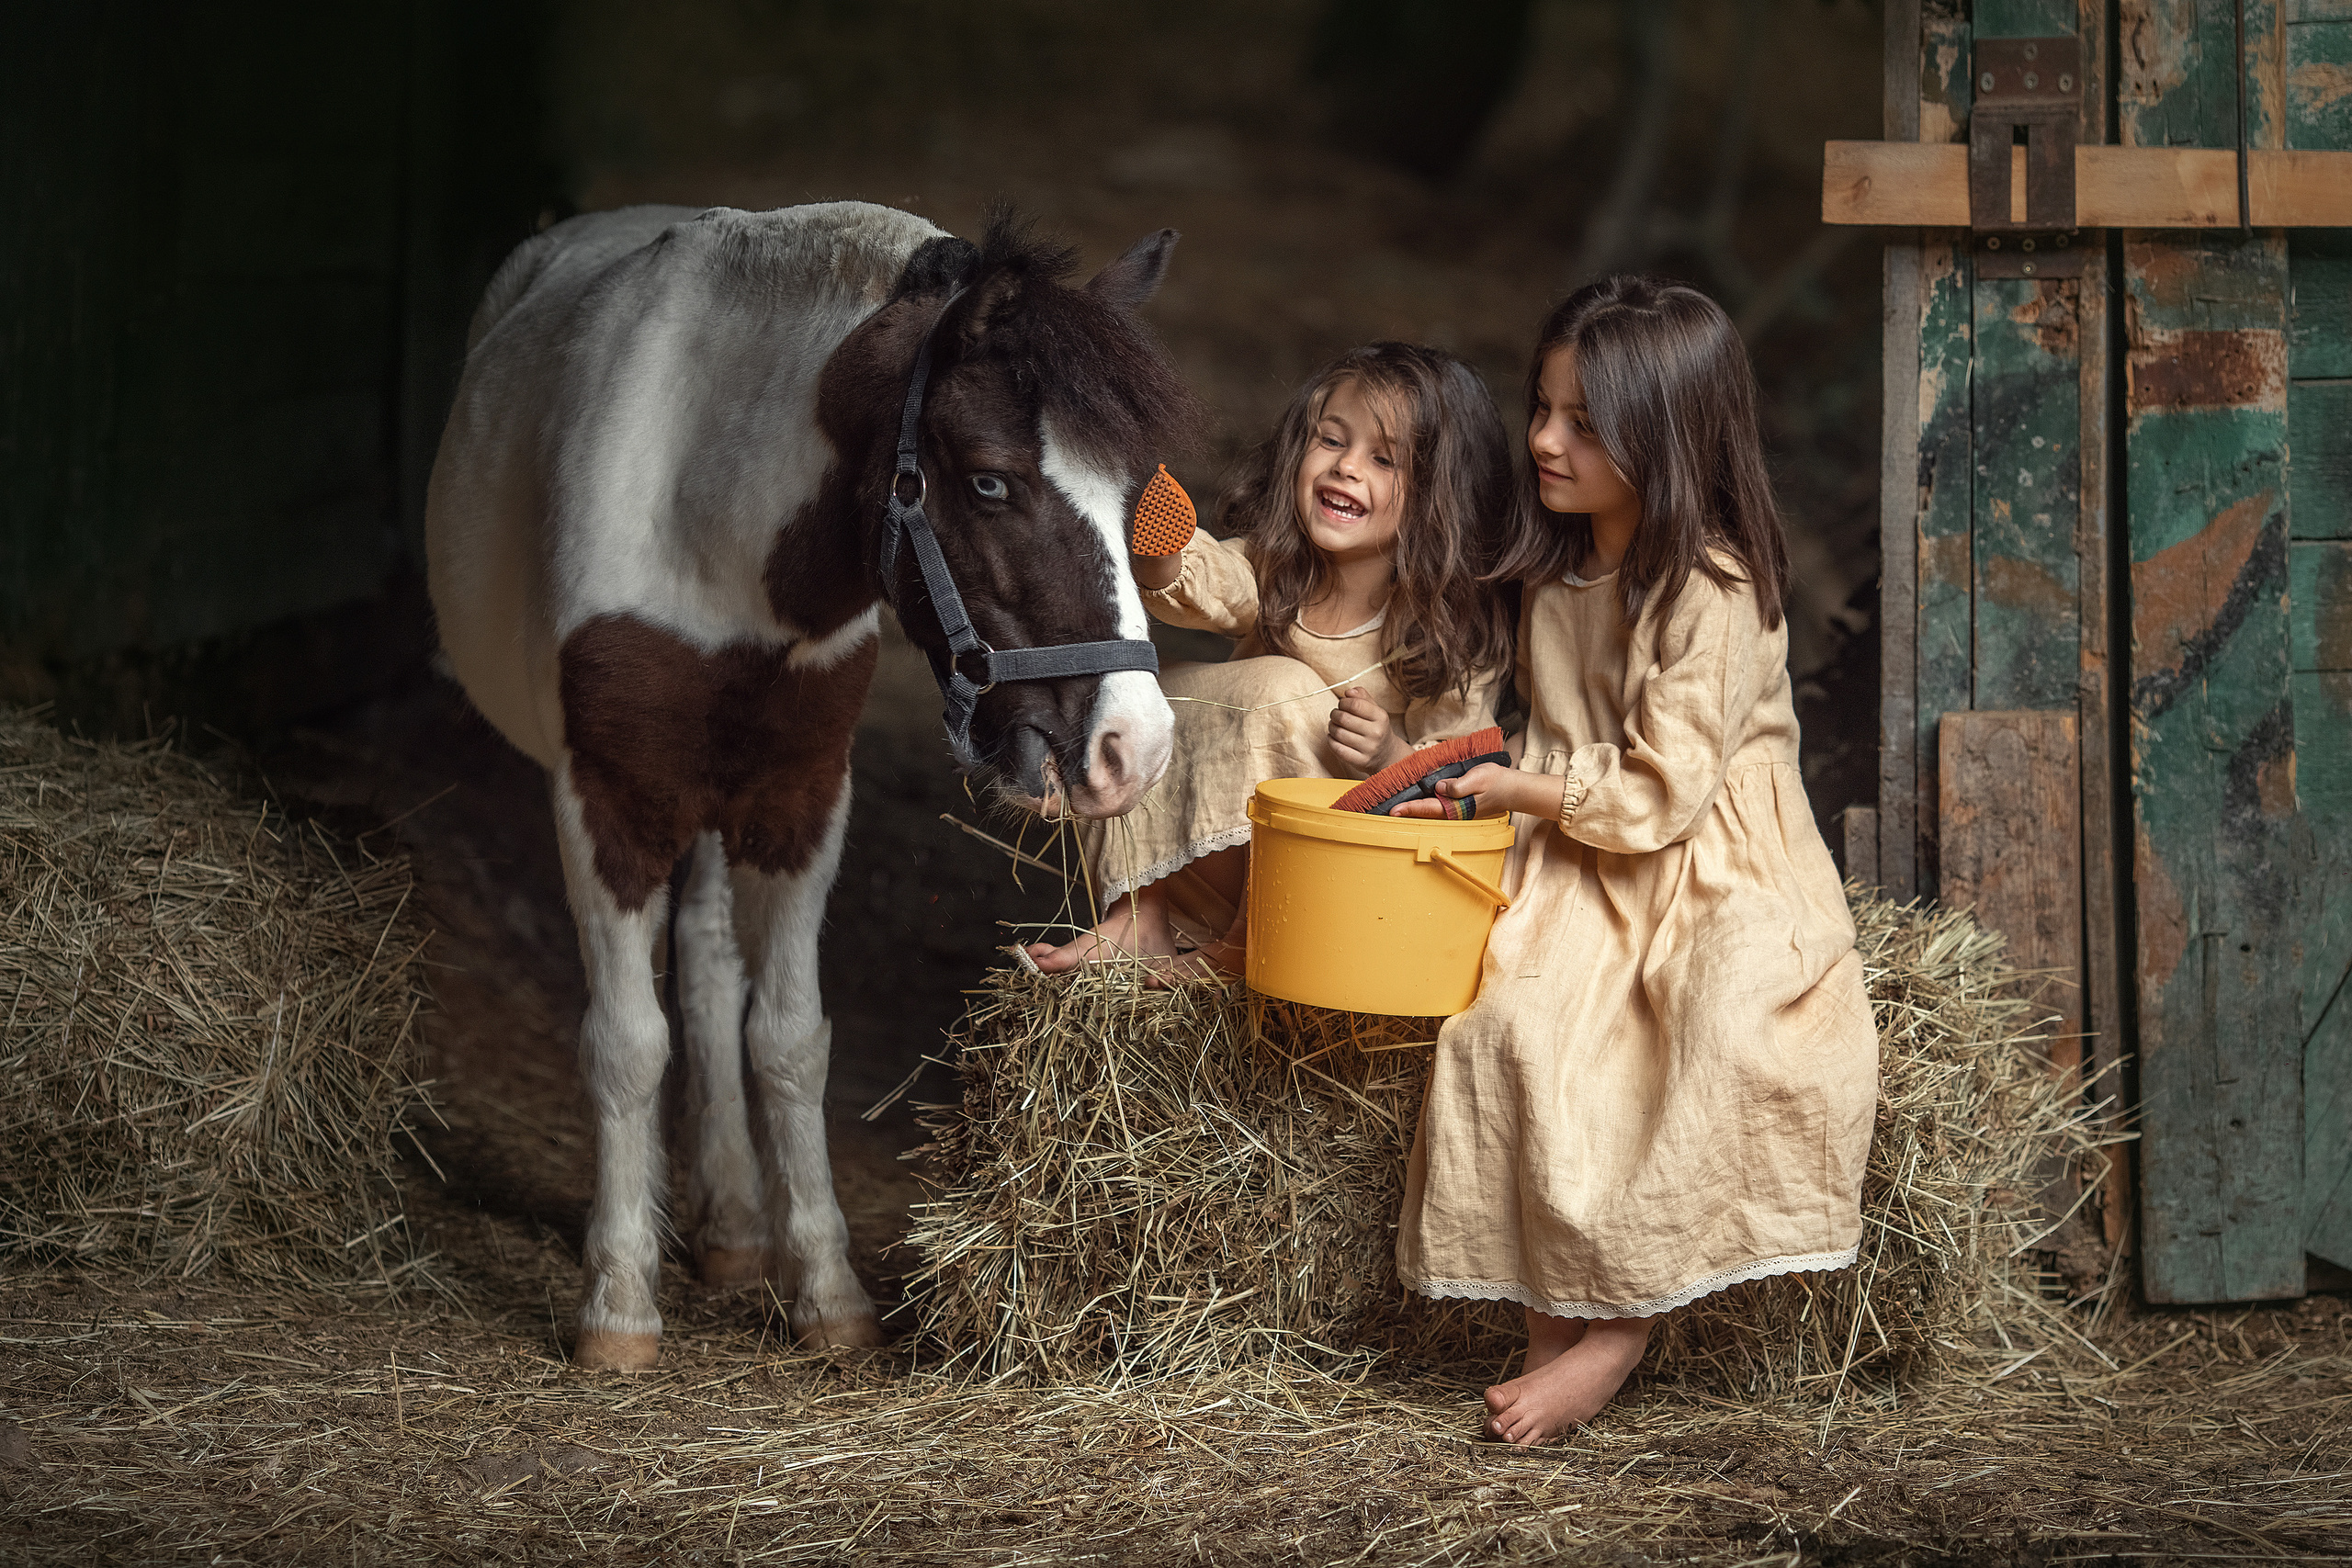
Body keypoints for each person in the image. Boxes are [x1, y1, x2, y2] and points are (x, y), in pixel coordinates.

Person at [1388, 276, 1879, 1446]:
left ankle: (1618, 1333)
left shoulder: (1710, 586)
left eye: (1584, 424)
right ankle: (1552, 1332)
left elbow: (1664, 792)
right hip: (1573, 848)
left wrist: (1516, 788)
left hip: (1708, 854)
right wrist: (1422, 746)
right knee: (1508, 1028)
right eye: (1543, 408)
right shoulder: (1550, 564)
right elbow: (1476, 688)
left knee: (1717, 1032)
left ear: (1665, 443)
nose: (1546, 441)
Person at [1025, 342, 1515, 976]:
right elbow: (1216, 582)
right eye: (1332, 441)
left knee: (1281, 687)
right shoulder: (1280, 569)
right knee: (1136, 695)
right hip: (1231, 848)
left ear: (1440, 497)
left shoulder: (1451, 635)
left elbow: (1460, 782)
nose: (1346, 468)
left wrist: (1391, 754)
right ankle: (1139, 909)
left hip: (1346, 879)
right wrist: (1161, 554)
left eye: (1384, 459)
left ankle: (1245, 945)